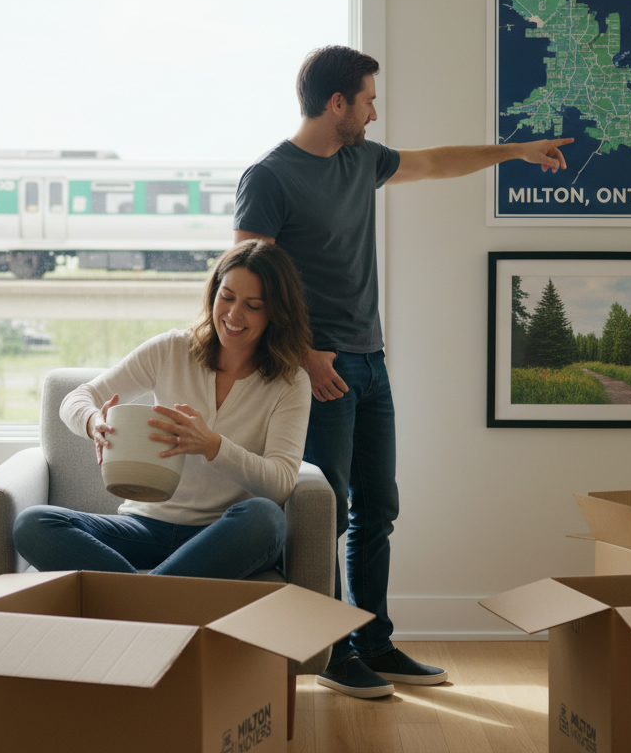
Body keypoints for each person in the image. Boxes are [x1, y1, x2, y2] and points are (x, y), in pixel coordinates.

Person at [233, 45, 573, 699]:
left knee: (376, 509)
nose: (374, 110)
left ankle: (374, 642)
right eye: (367, 99)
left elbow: (434, 163)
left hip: (370, 360)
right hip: (314, 370)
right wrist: (304, 355)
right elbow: (245, 284)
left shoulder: (361, 160)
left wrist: (516, 151)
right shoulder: (270, 177)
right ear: (338, 104)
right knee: (322, 515)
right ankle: (327, 650)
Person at [12, 241, 313, 580]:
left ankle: (141, 596)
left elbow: (281, 484)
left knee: (266, 518)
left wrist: (213, 446)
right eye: (226, 297)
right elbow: (77, 399)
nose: (233, 314)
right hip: (142, 527)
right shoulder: (172, 350)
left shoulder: (290, 383)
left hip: (219, 537)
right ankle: (159, 596)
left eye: (253, 305)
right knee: (32, 523)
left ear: (276, 312)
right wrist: (93, 421)